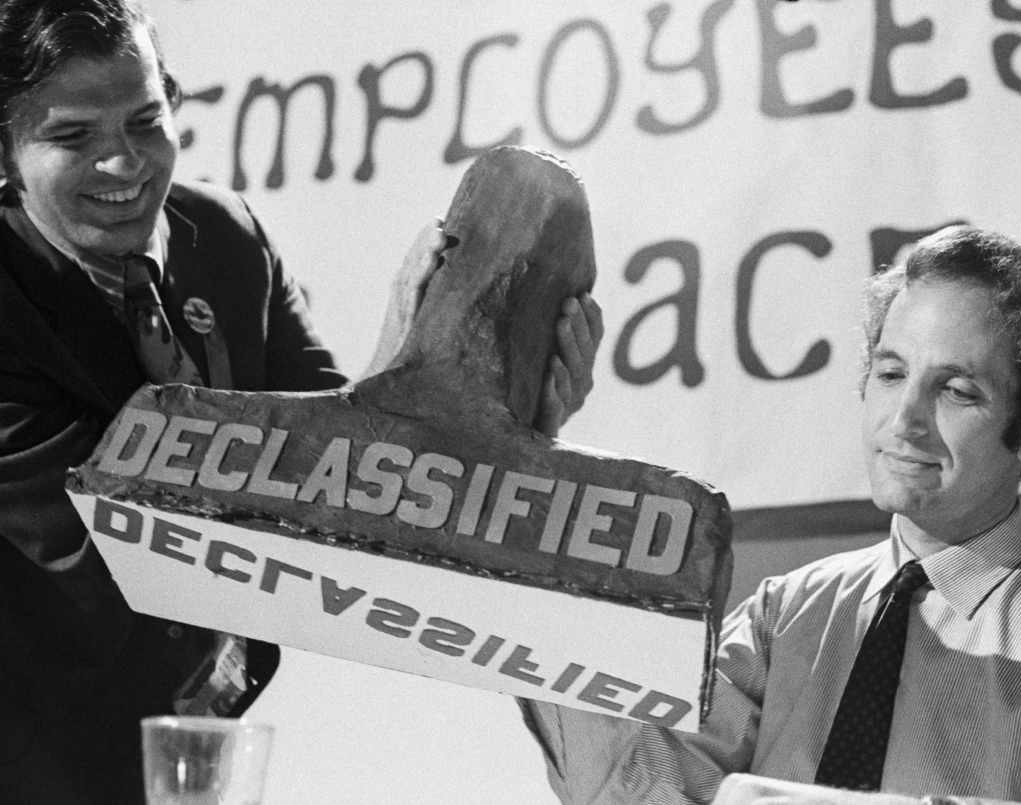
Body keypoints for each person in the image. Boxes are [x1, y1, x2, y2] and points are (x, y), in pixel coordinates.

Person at [0, 0, 603, 802]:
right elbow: (133, 554)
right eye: (74, 137)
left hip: (212, 743)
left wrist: (494, 411)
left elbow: (351, 482)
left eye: (146, 121)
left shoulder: (229, 239)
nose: (126, 164)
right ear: (6, 152)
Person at [521, 225, 1021, 804]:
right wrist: (528, 469)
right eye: (890, 372)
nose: (903, 420)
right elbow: (644, 788)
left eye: (955, 389)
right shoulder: (786, 615)